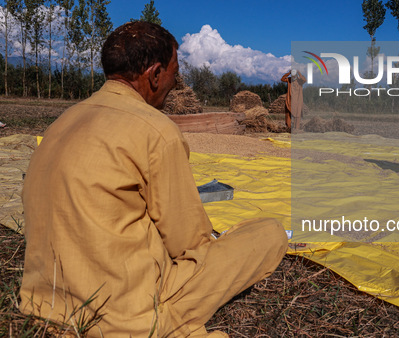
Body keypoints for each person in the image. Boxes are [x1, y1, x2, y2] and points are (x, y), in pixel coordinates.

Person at [19, 21, 288, 337]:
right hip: (126, 316)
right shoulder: (156, 130)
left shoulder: (62, 123)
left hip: (44, 307)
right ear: (155, 74)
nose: (175, 83)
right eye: (175, 72)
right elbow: (189, 244)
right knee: (269, 233)